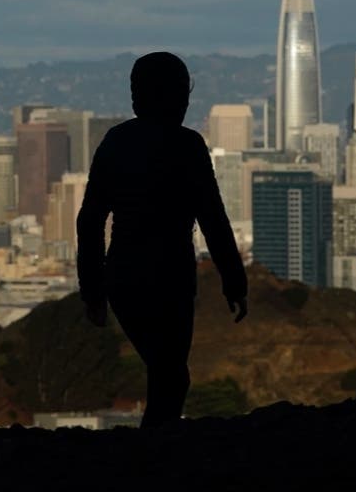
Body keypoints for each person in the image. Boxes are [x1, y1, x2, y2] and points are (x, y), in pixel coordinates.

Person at [76, 52, 248, 428]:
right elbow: (213, 220)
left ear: (136, 96)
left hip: (124, 278)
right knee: (171, 374)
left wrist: (93, 289)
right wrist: (234, 280)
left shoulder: (115, 142)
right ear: (180, 97)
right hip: (172, 278)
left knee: (166, 373)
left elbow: (89, 222)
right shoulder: (188, 146)